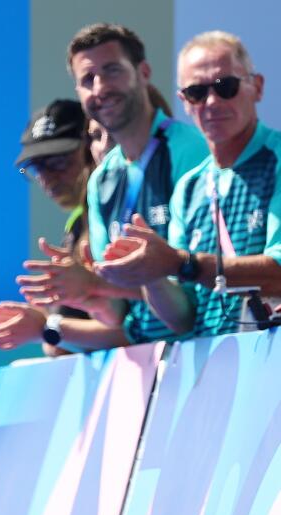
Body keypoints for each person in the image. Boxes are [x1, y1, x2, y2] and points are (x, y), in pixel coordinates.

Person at [5, 23, 208, 353]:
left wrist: (92, 288)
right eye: (87, 80)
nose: (100, 87)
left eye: (112, 71)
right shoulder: (102, 180)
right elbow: (116, 315)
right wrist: (82, 295)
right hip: (145, 364)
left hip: (205, 353)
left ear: (143, 72)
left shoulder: (192, 152)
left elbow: (194, 299)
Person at [95, 31, 281, 337]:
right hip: (214, 371)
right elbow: (183, 317)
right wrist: (151, 273)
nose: (211, 102)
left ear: (257, 87)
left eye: (226, 87)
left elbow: (278, 271)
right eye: (196, 92)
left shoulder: (277, 158)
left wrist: (182, 263)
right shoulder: (190, 187)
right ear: (183, 101)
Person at [0, 99, 121, 354]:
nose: (46, 178)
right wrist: (44, 314)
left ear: (90, 148)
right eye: (36, 168)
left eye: (58, 162)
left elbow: (135, 331)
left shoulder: (116, 219)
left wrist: (46, 327)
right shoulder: (78, 222)